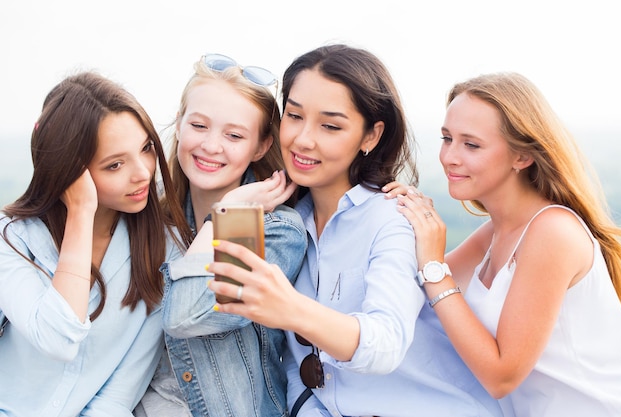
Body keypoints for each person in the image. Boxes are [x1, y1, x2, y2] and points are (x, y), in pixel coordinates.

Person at [206, 44, 503, 417]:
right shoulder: (274, 217)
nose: (302, 139)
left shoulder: (394, 219)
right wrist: (230, 209)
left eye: (330, 126)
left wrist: (292, 308)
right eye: (294, 116)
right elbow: (211, 314)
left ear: (371, 136)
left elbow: (386, 343)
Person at [392, 72, 621, 416]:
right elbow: (413, 294)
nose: (450, 157)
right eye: (446, 138)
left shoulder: (553, 232)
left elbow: (501, 376)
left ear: (522, 157)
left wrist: (434, 266)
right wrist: (395, 214)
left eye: (471, 144)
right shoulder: (495, 232)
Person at [0, 71, 193, 417]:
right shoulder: (13, 239)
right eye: (115, 164)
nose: (142, 173)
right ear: (71, 173)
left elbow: (117, 397)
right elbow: (57, 338)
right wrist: (80, 212)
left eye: (146, 149)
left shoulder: (164, 250)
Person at [133, 54, 307, 417]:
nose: (211, 146)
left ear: (260, 147)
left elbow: (187, 316)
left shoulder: (275, 232)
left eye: (234, 135)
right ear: (179, 124)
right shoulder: (150, 222)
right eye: (198, 125)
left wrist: (227, 213)